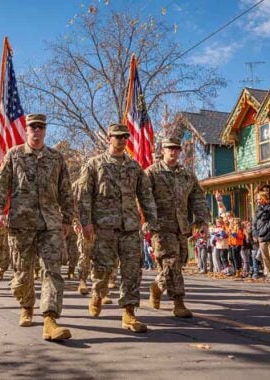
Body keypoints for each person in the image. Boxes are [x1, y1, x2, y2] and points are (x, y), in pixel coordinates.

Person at [0, 113, 73, 341]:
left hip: (50, 224)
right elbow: (0, 187)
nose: (36, 131)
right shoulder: (14, 155)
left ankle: (50, 320)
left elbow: (66, 191)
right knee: (22, 274)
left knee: (52, 271)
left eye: (41, 127)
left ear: (45, 131)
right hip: (21, 223)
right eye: (32, 127)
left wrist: (67, 219)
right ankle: (26, 305)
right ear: (26, 131)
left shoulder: (56, 158)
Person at [76, 123, 158, 332]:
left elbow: (145, 195)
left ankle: (129, 313)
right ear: (109, 138)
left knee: (132, 270)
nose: (122, 140)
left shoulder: (134, 167)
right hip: (104, 227)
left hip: (130, 227)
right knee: (102, 269)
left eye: (125, 137)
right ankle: (97, 293)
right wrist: (85, 223)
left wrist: (150, 220)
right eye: (118, 136)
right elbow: (84, 196)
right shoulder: (94, 164)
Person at [146, 135, 210, 318]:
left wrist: (203, 221)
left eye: (177, 149)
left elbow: (197, 198)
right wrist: (147, 220)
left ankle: (157, 286)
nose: (173, 152)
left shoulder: (187, 175)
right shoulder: (152, 173)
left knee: (178, 263)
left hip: (181, 226)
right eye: (170, 148)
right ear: (163, 150)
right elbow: (143, 198)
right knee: (171, 263)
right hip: (160, 226)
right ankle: (179, 302)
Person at [252, 191, 270, 281]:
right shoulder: (257, 210)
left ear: (264, 198)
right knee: (265, 256)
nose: (258, 201)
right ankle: (269, 273)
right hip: (261, 235)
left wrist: (264, 230)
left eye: (260, 199)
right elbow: (254, 223)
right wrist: (255, 233)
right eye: (257, 199)